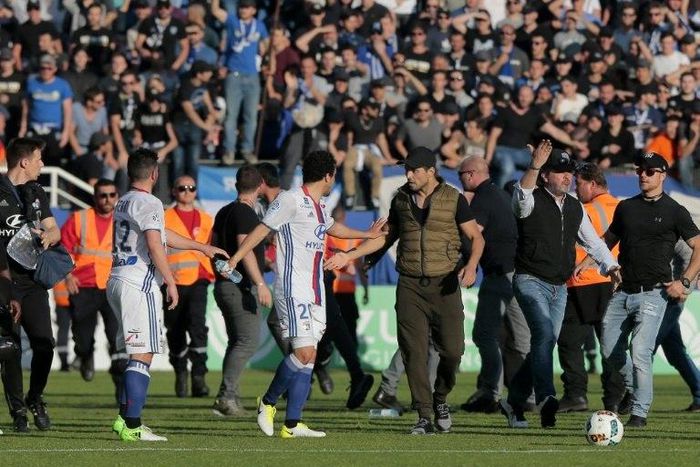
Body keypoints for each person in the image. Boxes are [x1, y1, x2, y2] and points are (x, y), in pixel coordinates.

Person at [325, 146, 485, 435]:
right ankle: (423, 414)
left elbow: (476, 237)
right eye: (406, 170)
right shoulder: (399, 199)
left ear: (431, 172)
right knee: (414, 351)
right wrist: (350, 256)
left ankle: (440, 399)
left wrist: (472, 265)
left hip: (445, 284)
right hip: (409, 284)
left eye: (414, 170)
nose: (408, 174)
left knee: (453, 351)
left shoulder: (454, 199)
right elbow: (386, 236)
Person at [227, 150, 386, 438]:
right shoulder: (289, 200)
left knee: (309, 357)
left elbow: (333, 228)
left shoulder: (320, 205)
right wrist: (237, 257)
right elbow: (263, 229)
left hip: (316, 289)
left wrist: (366, 234)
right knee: (303, 352)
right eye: (334, 175)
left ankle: (292, 424)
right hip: (293, 287)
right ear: (329, 175)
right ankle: (268, 401)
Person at [108, 148, 226, 441]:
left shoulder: (124, 200)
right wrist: (171, 281)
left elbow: (161, 234)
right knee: (142, 355)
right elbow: (155, 243)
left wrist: (202, 247)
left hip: (117, 278)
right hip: (139, 283)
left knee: (135, 354)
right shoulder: (150, 203)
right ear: (155, 174)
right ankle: (133, 425)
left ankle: (125, 420)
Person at [500, 140, 619, 430]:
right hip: (530, 280)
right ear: (545, 175)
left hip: (559, 286)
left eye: (569, 173)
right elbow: (520, 197)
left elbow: (594, 243)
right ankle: (546, 398)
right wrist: (533, 165)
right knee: (543, 333)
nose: (567, 177)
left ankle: (514, 401)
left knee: (545, 342)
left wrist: (612, 266)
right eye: (559, 172)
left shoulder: (576, 206)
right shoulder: (531, 198)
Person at [601, 152, 700, 428]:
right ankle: (634, 392)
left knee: (641, 350)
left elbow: (698, 246)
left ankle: (639, 413)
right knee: (609, 351)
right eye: (640, 170)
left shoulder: (674, 210)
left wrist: (686, 282)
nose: (643, 175)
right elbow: (609, 239)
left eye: (650, 171)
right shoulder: (626, 207)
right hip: (623, 291)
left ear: (663, 175)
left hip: (655, 293)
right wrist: (593, 260)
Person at [0, 137, 61, 432]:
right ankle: (18, 412)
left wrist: (49, 236)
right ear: (24, 162)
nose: (42, 164)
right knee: (8, 348)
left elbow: (54, 228)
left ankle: (35, 397)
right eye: (39, 159)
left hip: (32, 280)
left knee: (44, 344)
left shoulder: (37, 191)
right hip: (3, 280)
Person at [557, 163, 627, 413]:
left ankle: (576, 395)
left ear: (593, 184)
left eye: (579, 184)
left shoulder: (583, 210)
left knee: (568, 341)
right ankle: (615, 398)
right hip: (613, 282)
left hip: (583, 282)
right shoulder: (621, 206)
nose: (576, 189)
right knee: (612, 343)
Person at [457, 156, 518, 413]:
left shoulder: (482, 199)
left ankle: (491, 392)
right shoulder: (500, 195)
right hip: (516, 273)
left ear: (471, 174)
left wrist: (464, 263)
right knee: (522, 340)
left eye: (461, 175)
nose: (460, 180)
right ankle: (529, 394)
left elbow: (474, 235)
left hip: (499, 275)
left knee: (484, 334)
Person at [210, 165, 271, 416]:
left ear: (236, 185)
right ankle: (226, 397)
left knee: (237, 342)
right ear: (260, 187)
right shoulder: (246, 214)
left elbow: (212, 247)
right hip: (240, 286)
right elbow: (243, 250)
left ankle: (229, 397)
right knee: (247, 341)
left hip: (224, 285)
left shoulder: (223, 212)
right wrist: (259, 283)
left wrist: (221, 271)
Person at [61, 179, 124, 387]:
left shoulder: (124, 221)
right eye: (102, 195)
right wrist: (68, 276)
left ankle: (120, 383)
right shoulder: (79, 219)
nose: (107, 200)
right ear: (95, 197)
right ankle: (85, 355)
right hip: (83, 285)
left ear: (117, 196)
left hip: (113, 286)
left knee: (117, 336)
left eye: (112, 195)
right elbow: (63, 251)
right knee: (83, 337)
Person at [164, 175, 215, 399]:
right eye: (182, 187)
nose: (187, 191)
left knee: (197, 326)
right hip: (172, 282)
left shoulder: (206, 219)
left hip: (198, 280)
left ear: (196, 192)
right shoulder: (163, 217)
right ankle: (180, 370)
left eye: (191, 188)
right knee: (175, 331)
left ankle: (199, 377)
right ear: (174, 191)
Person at [211, 0, 268, 164]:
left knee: (251, 116)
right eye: (242, 7)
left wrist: (267, 60)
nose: (244, 10)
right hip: (233, 75)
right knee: (231, 116)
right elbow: (215, 11)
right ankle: (229, 151)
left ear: (254, 10)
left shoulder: (260, 25)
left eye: (248, 7)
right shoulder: (232, 21)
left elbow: (265, 46)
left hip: (253, 75)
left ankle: (247, 150)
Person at [654, 240, 700, 412]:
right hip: (656, 295)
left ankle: (632, 398)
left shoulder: (671, 218)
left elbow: (691, 254)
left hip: (670, 296)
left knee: (645, 346)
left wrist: (685, 288)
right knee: (674, 351)